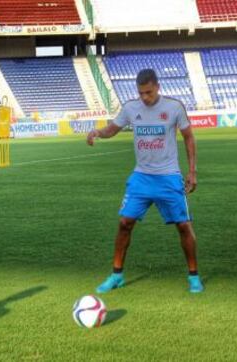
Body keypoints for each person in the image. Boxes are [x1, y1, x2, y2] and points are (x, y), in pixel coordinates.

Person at [86, 69, 204, 294]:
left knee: (183, 226)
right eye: (141, 93)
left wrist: (192, 171)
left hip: (168, 177)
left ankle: (193, 277)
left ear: (157, 87)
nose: (145, 98)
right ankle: (116, 275)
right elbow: (113, 128)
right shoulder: (131, 108)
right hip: (141, 177)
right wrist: (98, 132)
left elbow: (189, 137)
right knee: (124, 223)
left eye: (148, 93)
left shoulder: (174, 107)